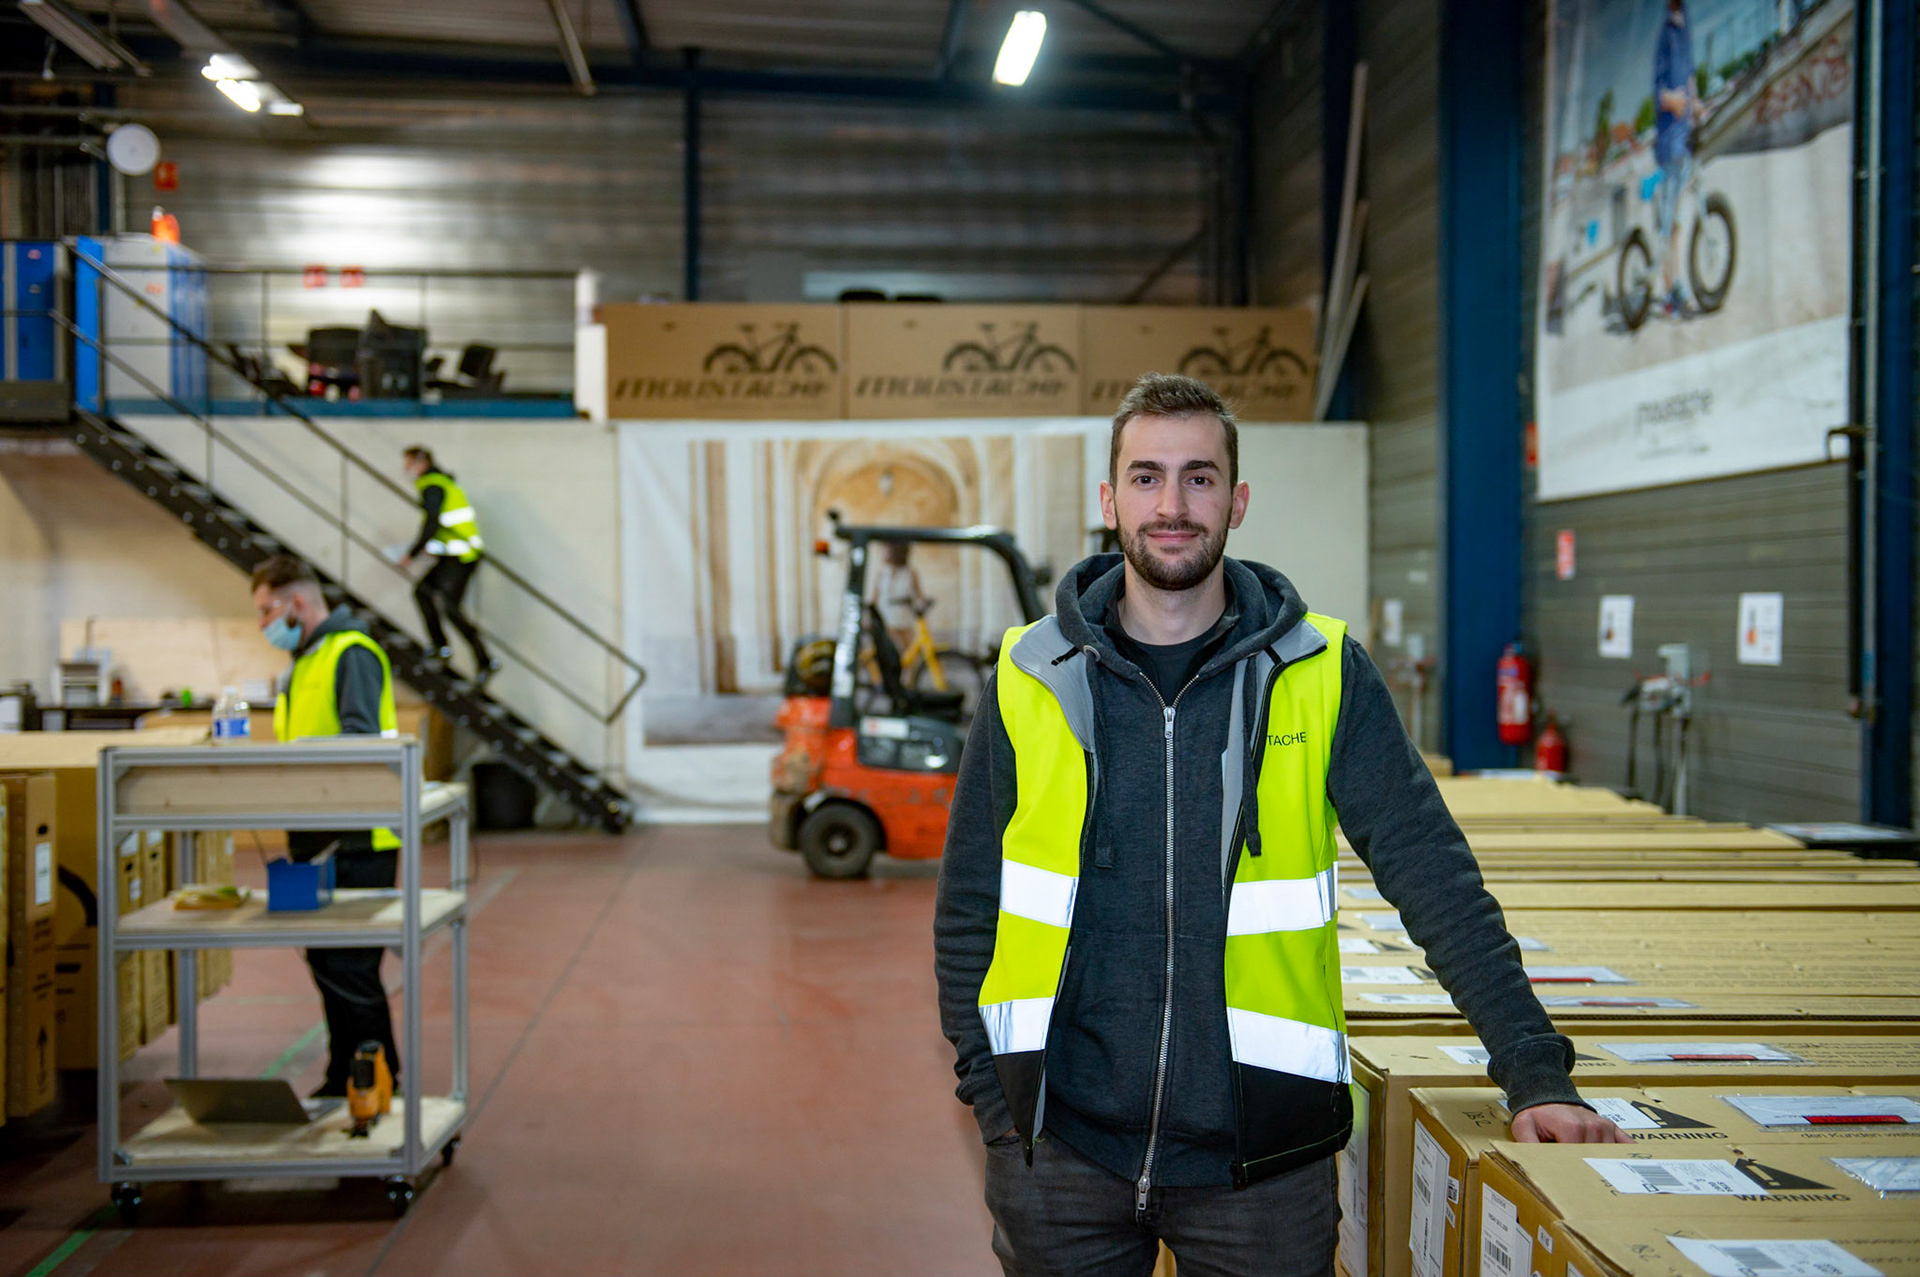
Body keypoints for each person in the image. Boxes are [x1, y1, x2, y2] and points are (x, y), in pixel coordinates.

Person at [933, 374, 1625, 1276]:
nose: (1172, 505)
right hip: (1063, 1155)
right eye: (1145, 477)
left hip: (1261, 1167)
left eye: (1199, 477)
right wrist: (994, 1100)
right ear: (1109, 500)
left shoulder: (1321, 670)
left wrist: (1534, 1068)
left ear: (1238, 499)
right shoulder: (1031, 676)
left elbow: (1433, 874)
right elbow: (969, 908)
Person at [251, 555, 403, 1097]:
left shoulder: (351, 653)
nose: (263, 623)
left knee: (351, 965)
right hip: (314, 837)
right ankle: (345, 1077)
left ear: (298, 602)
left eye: (267, 609)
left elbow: (359, 743)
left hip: (358, 837)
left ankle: (377, 1083)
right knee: (327, 962)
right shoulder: (304, 662)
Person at [399, 446, 496, 683]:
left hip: (463, 556)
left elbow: (432, 522)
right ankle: (440, 647)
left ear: (422, 463)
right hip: (452, 555)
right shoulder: (438, 483)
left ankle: (484, 659)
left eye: (409, 463)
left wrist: (412, 553)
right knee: (423, 592)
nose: (406, 469)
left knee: (450, 608)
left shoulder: (434, 485)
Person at [1653, 0, 1698, 315]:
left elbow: (1691, 80)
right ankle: (1669, 292)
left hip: (1685, 139)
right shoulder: (1666, 35)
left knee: (1677, 220)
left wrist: (1696, 103)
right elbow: (1659, 92)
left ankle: (1676, 283)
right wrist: (1676, 100)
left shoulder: (1685, 32)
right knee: (1669, 220)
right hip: (1670, 141)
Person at [868, 540, 928, 657]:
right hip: (886, 617)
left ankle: (909, 675)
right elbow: (875, 598)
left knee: (910, 653)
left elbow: (919, 595)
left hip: (904, 618)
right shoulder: (882, 573)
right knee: (887, 654)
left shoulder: (910, 573)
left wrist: (923, 605)